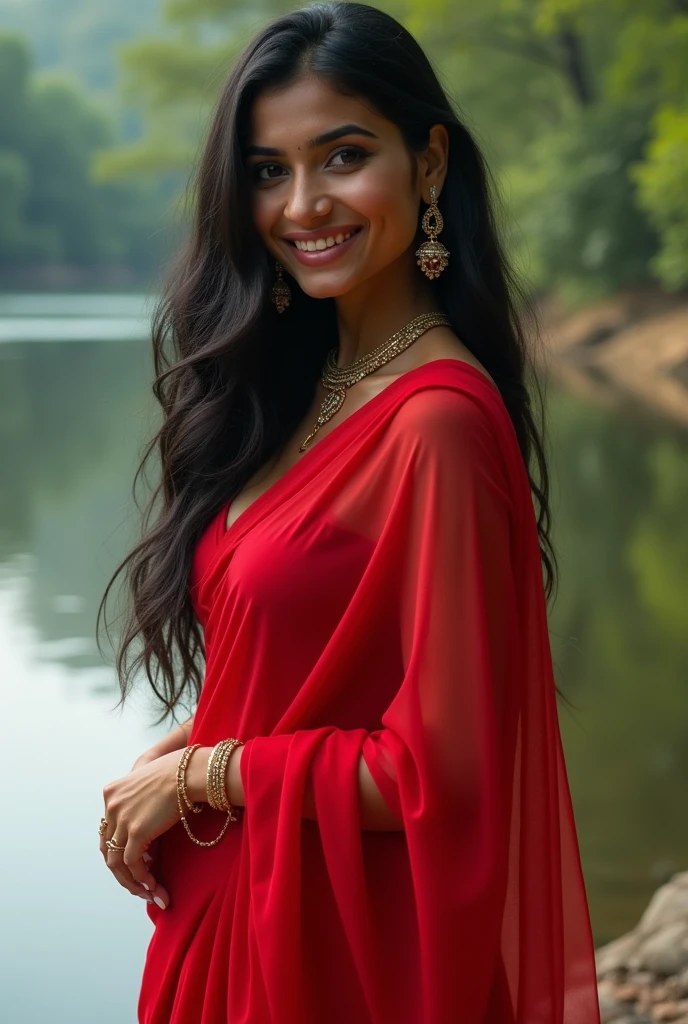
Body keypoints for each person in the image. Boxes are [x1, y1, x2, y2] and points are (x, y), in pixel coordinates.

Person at [97, 3, 601, 1022]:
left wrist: (206, 773)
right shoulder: (316, 384)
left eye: (341, 156)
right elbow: (342, 663)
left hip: (328, 966)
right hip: (238, 924)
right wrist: (207, 726)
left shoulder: (436, 426)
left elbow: (443, 773)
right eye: (268, 170)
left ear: (427, 163)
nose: (302, 204)